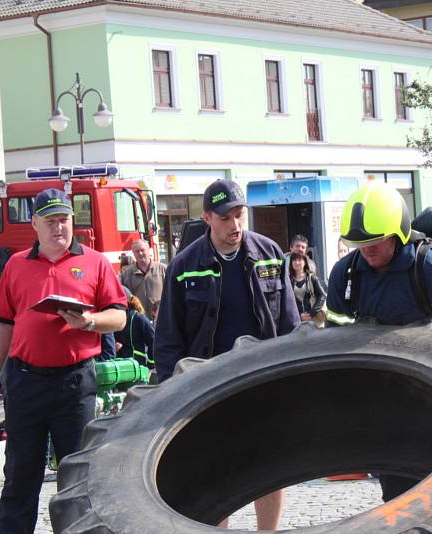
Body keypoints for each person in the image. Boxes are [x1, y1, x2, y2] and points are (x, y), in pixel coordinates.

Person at [325, 182, 432, 503]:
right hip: (388, 407)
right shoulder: (345, 275)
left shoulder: (431, 270)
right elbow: (333, 346)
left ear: (397, 232)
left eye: (375, 240)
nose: (367, 249)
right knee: (398, 499)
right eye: (359, 243)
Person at [155, 179, 300, 530]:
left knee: (269, 469)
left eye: (239, 215)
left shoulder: (268, 253)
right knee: (216, 473)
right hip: (207, 388)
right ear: (207, 218)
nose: (234, 225)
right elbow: (168, 338)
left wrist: (296, 381)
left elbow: (291, 326)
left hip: (263, 382)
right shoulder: (185, 265)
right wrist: (170, 395)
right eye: (225, 218)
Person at [0, 188, 127, 534]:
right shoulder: (16, 265)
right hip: (26, 380)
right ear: (34, 224)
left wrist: (90, 321)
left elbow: (119, 317)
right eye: (50, 221)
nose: (58, 227)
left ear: (72, 221)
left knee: (77, 474)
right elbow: (2, 324)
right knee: (20, 472)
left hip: (74, 383)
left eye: (63, 219)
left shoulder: (95, 262)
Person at [119, 239, 167, 323]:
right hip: (139, 321)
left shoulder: (163, 269)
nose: (140, 253)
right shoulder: (126, 275)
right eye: (137, 251)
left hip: (161, 319)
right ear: (133, 254)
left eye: (142, 250)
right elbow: (124, 297)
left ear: (148, 250)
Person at [114, 286, 155, 371]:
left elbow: (153, 340)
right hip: (118, 367)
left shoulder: (138, 318)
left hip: (137, 368)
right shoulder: (113, 318)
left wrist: (151, 365)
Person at [289, 251, 326, 327]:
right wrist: (299, 315)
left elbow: (322, 296)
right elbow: (287, 301)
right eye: (294, 260)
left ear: (305, 262)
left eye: (299, 260)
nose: (296, 262)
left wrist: (312, 312)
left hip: (314, 319)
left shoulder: (312, 278)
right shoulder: (288, 280)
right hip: (297, 320)